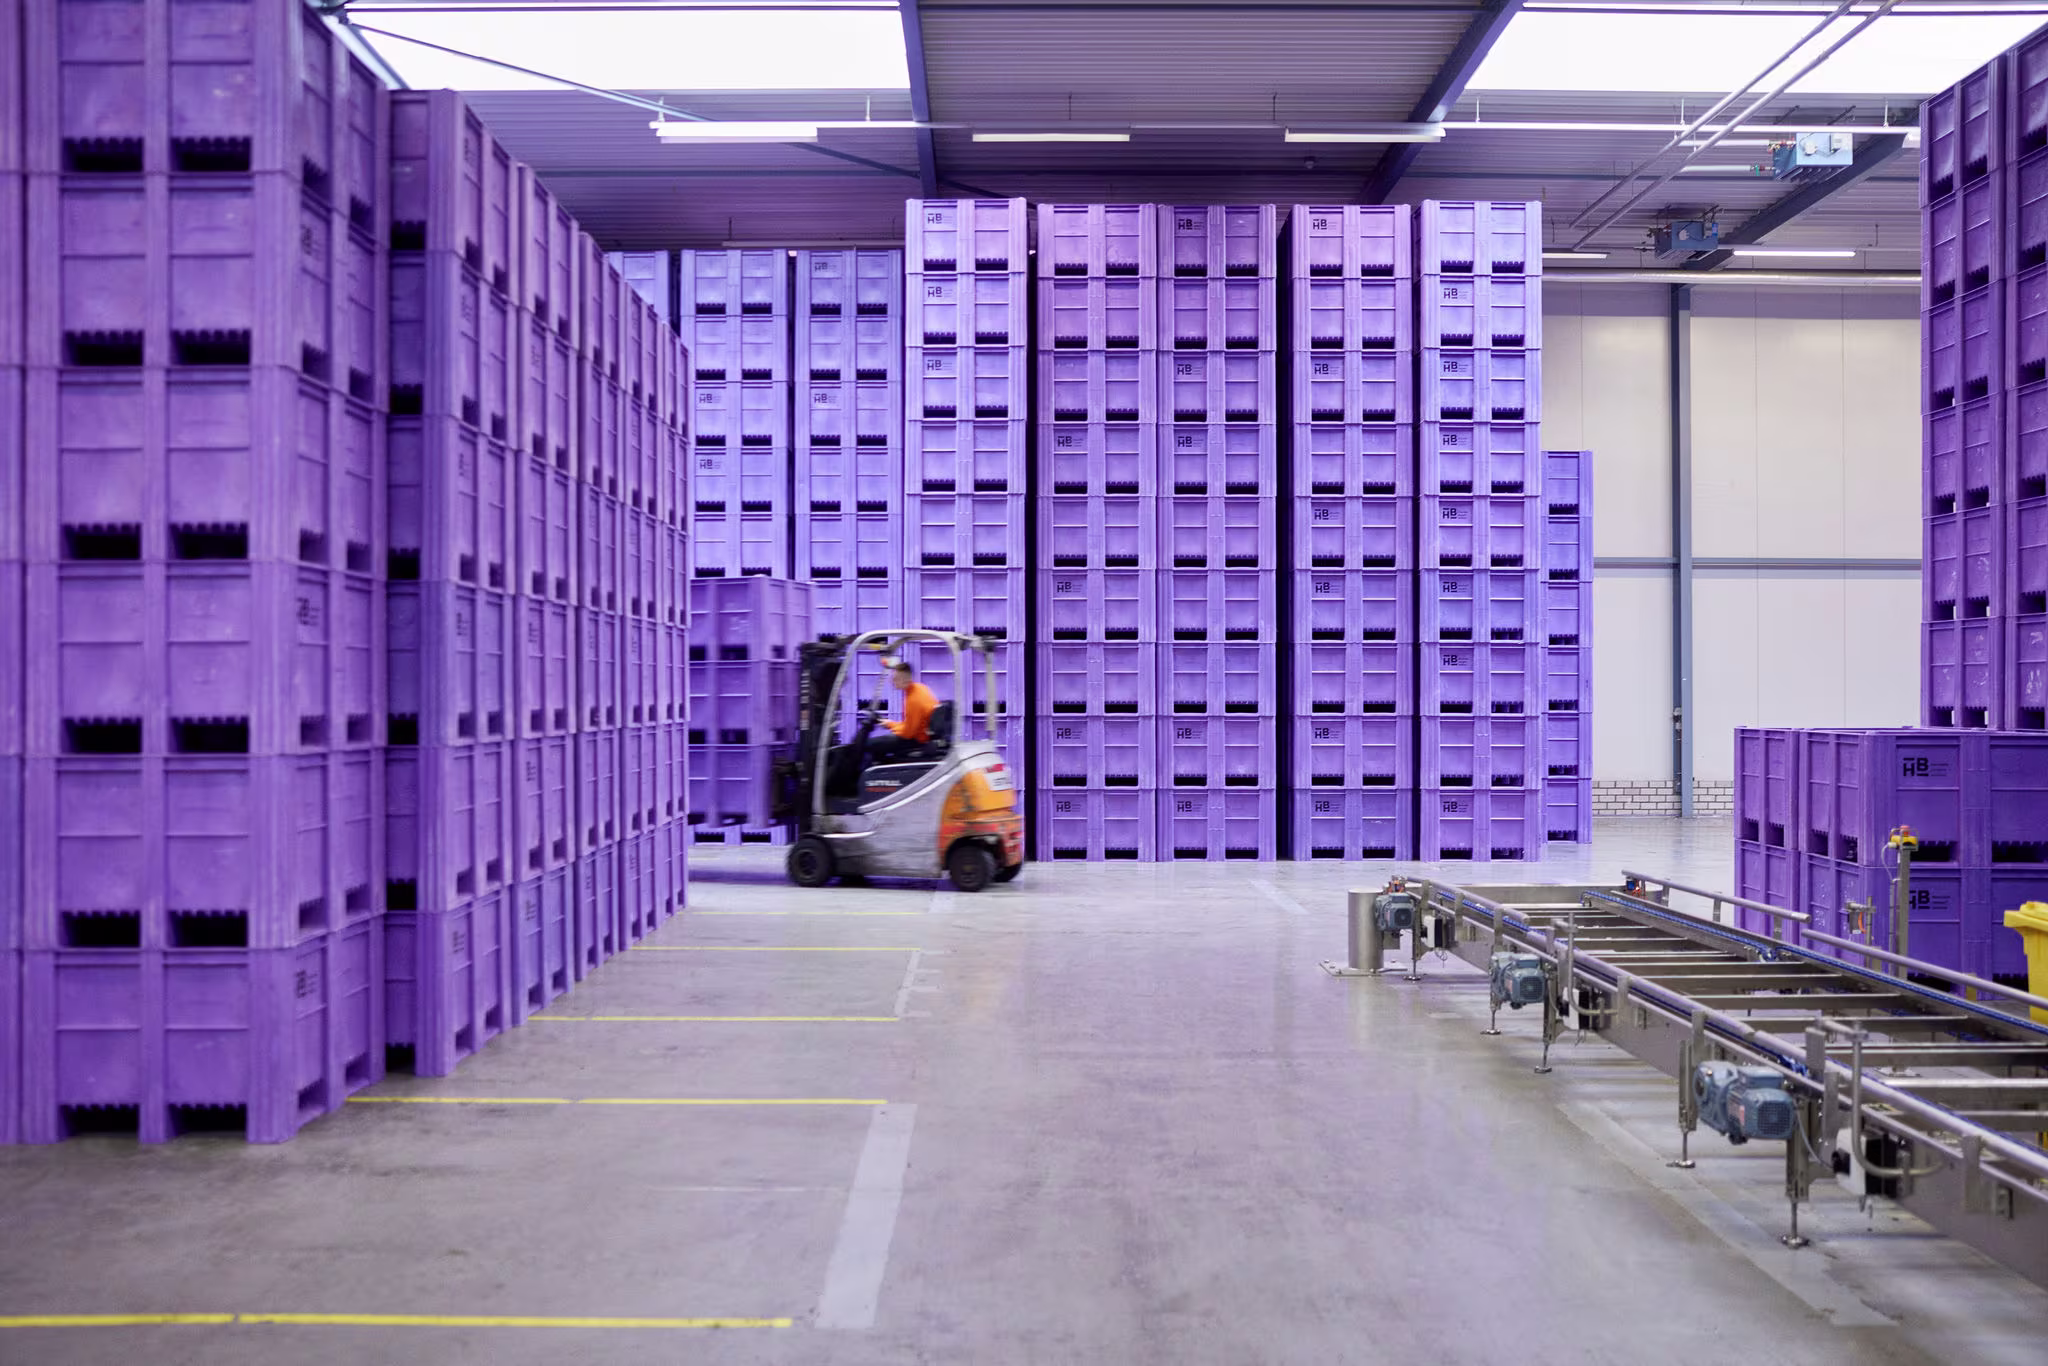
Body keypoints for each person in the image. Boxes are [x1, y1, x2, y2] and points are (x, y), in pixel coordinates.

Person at [865, 659, 938, 761]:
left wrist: (891, 727)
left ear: (905, 680)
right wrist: (890, 724)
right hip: (921, 735)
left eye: (895, 678)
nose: (891, 681)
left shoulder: (913, 699)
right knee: (882, 741)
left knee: (869, 744)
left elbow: (908, 733)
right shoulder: (921, 688)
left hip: (918, 740)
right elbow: (910, 725)